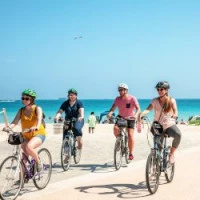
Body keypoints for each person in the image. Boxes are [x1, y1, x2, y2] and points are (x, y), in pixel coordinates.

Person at [3, 89, 46, 172]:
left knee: (29, 147)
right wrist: (8, 128)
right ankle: (22, 178)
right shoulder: (21, 110)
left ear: (32, 99)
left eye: (27, 98)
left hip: (38, 133)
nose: (24, 100)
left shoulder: (37, 108)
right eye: (23, 98)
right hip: (25, 135)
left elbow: (39, 119)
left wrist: (36, 126)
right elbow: (15, 122)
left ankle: (39, 162)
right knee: (24, 157)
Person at [140, 81, 181, 164]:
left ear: (166, 90)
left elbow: (175, 111)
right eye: (158, 89)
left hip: (169, 124)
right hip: (157, 125)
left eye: (161, 89)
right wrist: (141, 114)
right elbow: (148, 109)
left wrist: (175, 115)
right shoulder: (155, 101)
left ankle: (171, 154)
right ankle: (156, 163)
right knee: (158, 148)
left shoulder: (171, 100)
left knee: (178, 134)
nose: (159, 91)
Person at [107, 83, 141, 160]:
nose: (120, 91)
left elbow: (138, 109)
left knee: (130, 135)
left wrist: (135, 115)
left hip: (131, 118)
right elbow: (112, 109)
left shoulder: (132, 98)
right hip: (121, 117)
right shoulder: (117, 99)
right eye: (119, 90)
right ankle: (119, 141)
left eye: (121, 90)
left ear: (126, 90)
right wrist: (110, 113)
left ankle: (131, 153)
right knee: (115, 128)